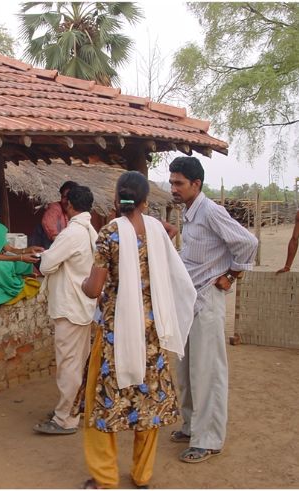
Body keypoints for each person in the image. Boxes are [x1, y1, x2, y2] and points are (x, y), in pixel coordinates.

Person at [79, 171, 197, 489]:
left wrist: (83, 283)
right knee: (148, 400)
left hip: (115, 335)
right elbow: (169, 230)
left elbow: (94, 289)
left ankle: (105, 478)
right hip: (152, 333)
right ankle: (142, 475)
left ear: (117, 199)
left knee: (102, 400)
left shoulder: (109, 234)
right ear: (145, 201)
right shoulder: (157, 230)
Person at [168, 156, 258, 464]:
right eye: (171, 182)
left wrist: (230, 275)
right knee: (187, 370)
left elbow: (248, 242)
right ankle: (192, 426)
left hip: (207, 299)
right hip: (188, 301)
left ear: (196, 184)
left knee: (207, 372)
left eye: (179, 183)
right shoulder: (191, 213)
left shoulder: (210, 211)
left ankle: (208, 440)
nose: (173, 188)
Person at [33, 185, 98, 436]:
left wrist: (44, 255)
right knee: (76, 363)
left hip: (70, 307)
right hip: (81, 307)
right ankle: (71, 410)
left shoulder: (72, 233)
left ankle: (64, 418)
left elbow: (48, 264)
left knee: (68, 365)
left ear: (69, 205)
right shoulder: (90, 230)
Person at [30, 181, 79, 248]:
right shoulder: (55, 207)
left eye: (69, 198)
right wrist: (60, 242)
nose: (67, 201)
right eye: (64, 197)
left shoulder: (77, 211)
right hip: (44, 248)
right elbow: (49, 223)